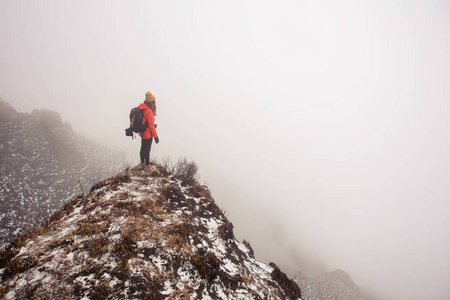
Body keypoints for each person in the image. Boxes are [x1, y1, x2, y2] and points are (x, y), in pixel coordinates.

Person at [138, 91, 159, 170]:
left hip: (142, 132)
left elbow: (145, 121)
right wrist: (156, 136)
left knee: (142, 148)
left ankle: (142, 163)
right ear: (151, 103)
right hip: (148, 134)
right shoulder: (149, 111)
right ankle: (147, 165)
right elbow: (150, 126)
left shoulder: (141, 108)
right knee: (147, 149)